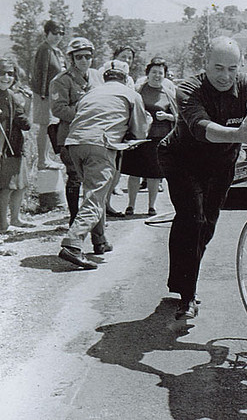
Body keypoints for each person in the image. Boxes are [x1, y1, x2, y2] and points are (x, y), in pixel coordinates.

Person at [158, 36, 247, 320]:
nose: (225, 76)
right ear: (204, 64)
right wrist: (238, 136)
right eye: (218, 68)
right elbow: (203, 128)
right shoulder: (188, 89)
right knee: (193, 219)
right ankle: (187, 297)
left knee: (207, 227)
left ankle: (179, 281)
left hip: (221, 165)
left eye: (232, 68)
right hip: (182, 161)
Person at [58, 60, 150, 270]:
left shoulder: (90, 93)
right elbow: (140, 132)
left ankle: (99, 241)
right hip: (100, 146)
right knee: (95, 197)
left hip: (74, 145)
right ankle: (72, 244)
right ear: (126, 79)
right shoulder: (130, 94)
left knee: (95, 192)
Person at [50, 37, 103, 226]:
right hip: (70, 136)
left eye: (88, 56)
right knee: (74, 178)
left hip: (95, 136)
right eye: (79, 56)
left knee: (95, 178)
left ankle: (93, 219)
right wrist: (85, 112)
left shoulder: (97, 76)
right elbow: (58, 109)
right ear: (71, 59)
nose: (84, 60)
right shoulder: (61, 81)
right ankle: (74, 218)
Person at [121, 57, 177, 216]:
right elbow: (129, 110)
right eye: (154, 72)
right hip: (138, 137)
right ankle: (131, 205)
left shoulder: (169, 94)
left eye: (161, 73)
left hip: (158, 139)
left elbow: (179, 117)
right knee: (134, 172)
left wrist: (167, 117)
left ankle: (151, 206)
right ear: (148, 74)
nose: (157, 76)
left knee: (154, 174)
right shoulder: (138, 90)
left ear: (165, 75)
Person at [0, 58, 33, 232]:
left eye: (10, 74)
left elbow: (26, 124)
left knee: (20, 184)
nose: (6, 77)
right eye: (2, 73)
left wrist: (28, 103)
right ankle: (3, 224)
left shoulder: (11, 96)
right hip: (3, 150)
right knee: (6, 187)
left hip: (15, 147)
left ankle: (15, 219)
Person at [104, 45, 137, 217]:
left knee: (116, 169)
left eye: (130, 57)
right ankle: (100, 207)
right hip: (108, 127)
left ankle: (107, 204)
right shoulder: (106, 73)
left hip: (122, 127)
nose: (127, 60)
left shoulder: (130, 80)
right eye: (124, 56)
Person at [31, 19, 66, 170]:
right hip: (44, 94)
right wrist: (44, 94)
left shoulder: (54, 51)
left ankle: (45, 158)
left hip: (51, 94)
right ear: (47, 33)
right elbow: (42, 72)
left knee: (48, 127)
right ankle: (41, 160)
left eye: (61, 33)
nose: (58, 36)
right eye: (55, 33)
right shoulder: (45, 49)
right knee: (44, 127)